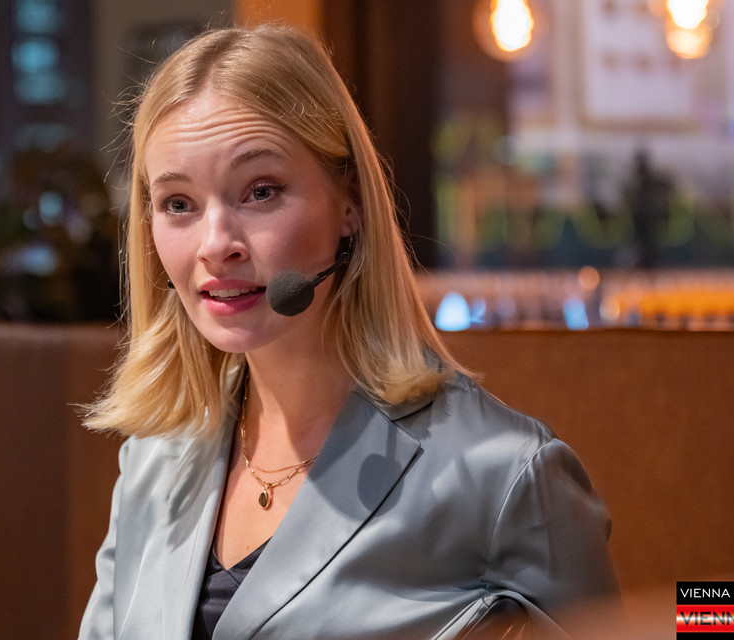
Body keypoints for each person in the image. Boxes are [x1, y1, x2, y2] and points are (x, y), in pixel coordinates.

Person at [78, 24, 618, 640]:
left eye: (260, 192)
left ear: (349, 204)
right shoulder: (152, 463)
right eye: (178, 204)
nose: (215, 245)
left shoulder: (504, 475)